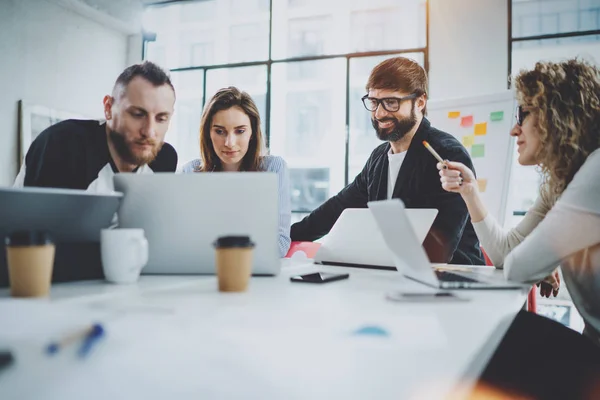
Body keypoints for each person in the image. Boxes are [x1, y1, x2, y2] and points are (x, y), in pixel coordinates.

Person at [438, 59, 600, 398]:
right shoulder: (558, 186)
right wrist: (469, 192)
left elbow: (519, 267)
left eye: (523, 114)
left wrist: (544, 257)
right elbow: (508, 254)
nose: (515, 130)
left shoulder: (596, 171)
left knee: (503, 338)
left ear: (557, 114)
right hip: (591, 347)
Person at [290, 57, 484, 265]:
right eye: (374, 102)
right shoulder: (378, 158)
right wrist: (286, 236)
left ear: (420, 102)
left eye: (391, 102)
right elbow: (337, 208)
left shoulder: (447, 154)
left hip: (454, 280)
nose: (379, 113)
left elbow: (441, 245)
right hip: (394, 276)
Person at [13, 61, 178, 191]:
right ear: (108, 108)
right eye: (137, 114)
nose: (149, 131)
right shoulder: (63, 144)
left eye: (161, 118)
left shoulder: (164, 161)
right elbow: (33, 229)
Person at [181, 87, 291, 258]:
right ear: (208, 133)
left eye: (240, 131)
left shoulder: (274, 168)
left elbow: (280, 244)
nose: (229, 143)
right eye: (219, 131)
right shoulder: (190, 172)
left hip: (252, 274)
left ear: (252, 132)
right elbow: (182, 241)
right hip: (202, 272)